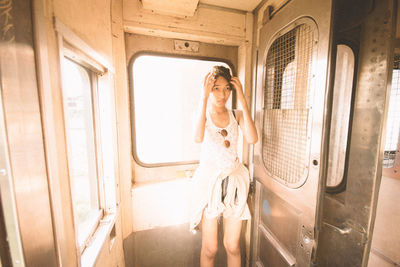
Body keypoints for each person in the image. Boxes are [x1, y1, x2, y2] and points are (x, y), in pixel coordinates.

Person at [190, 65, 258, 267]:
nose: (223, 94)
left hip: (234, 182)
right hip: (210, 183)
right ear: (208, 89)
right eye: (216, 88)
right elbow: (198, 137)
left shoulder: (236, 115)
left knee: (233, 246)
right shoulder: (202, 114)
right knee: (210, 248)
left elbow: (252, 139)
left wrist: (243, 100)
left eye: (227, 88)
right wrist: (203, 99)